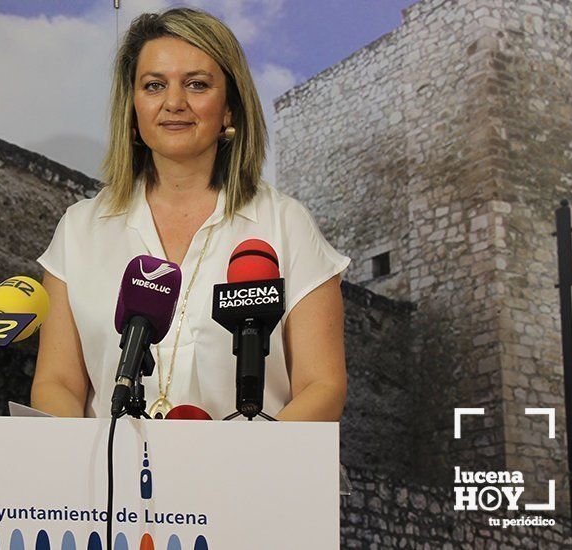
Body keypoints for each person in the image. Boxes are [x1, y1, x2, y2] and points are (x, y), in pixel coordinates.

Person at [31, 8, 349, 421]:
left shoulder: (285, 225)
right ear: (132, 107)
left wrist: (238, 469)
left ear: (230, 109)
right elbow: (56, 383)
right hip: (111, 478)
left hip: (249, 480)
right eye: (154, 85)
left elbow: (322, 387)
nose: (174, 102)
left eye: (197, 85)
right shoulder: (79, 230)